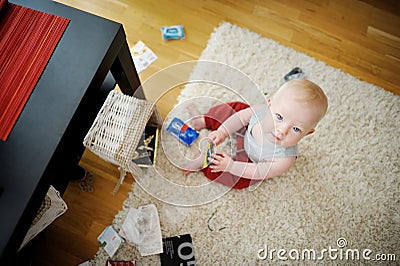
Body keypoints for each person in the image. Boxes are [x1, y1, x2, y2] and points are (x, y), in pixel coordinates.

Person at [183, 79, 328, 189]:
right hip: (246, 132)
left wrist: (231, 166)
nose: (282, 130)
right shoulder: (260, 111)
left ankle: (204, 163)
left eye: (296, 129)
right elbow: (240, 118)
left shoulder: (285, 159)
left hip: (251, 161)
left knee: (238, 180)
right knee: (237, 109)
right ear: (269, 105)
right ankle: (204, 121)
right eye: (279, 117)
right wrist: (222, 131)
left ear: (308, 133)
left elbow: (259, 172)